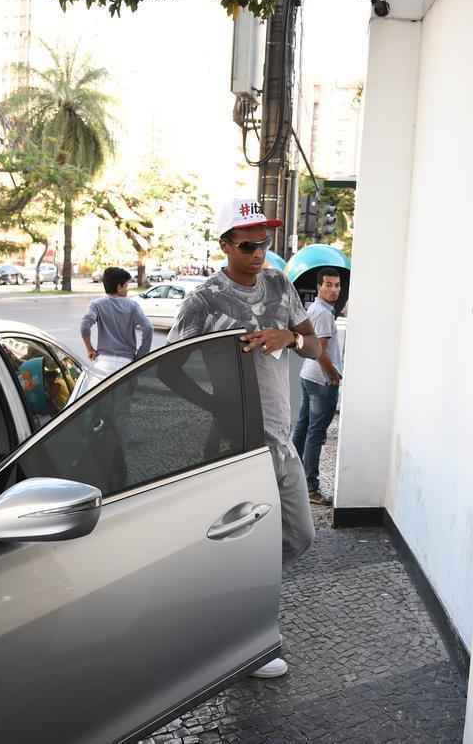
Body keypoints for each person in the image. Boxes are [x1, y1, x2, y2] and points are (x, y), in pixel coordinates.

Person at [166, 202, 322, 681]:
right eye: (249, 245)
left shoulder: (279, 286)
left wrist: (287, 339)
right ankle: (246, 637)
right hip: (234, 445)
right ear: (225, 246)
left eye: (265, 243)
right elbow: (169, 366)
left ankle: (230, 604)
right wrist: (213, 404)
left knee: (299, 535)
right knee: (244, 538)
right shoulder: (204, 301)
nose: (260, 254)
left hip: (279, 436)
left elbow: (315, 345)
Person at [292, 268, 344, 506]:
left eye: (337, 285)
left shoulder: (315, 308)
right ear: (319, 287)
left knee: (303, 429)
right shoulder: (322, 313)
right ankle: (310, 487)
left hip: (308, 377)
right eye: (329, 285)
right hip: (321, 380)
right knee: (315, 433)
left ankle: (292, 479)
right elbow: (319, 350)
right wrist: (332, 374)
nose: (334, 289)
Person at [81, 266, 154, 387]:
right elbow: (148, 328)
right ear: (119, 287)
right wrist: (141, 357)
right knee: (123, 404)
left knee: (98, 403)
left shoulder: (96, 304)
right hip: (126, 364)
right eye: (126, 286)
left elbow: (84, 326)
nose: (127, 290)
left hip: (103, 363)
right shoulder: (133, 305)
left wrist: (89, 349)